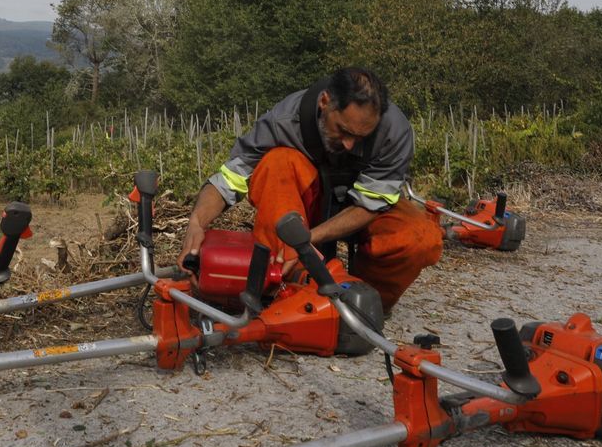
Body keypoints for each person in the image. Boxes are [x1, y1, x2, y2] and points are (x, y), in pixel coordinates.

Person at [177, 67, 443, 312]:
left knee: (421, 238)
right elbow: (228, 181)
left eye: (361, 137)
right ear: (325, 102)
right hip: (302, 211)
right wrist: (197, 222)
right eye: (343, 131)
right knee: (277, 163)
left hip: (361, 215)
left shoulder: (393, 131)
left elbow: (370, 204)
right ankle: (285, 289)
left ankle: (364, 302)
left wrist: (307, 238)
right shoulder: (282, 121)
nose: (350, 145)